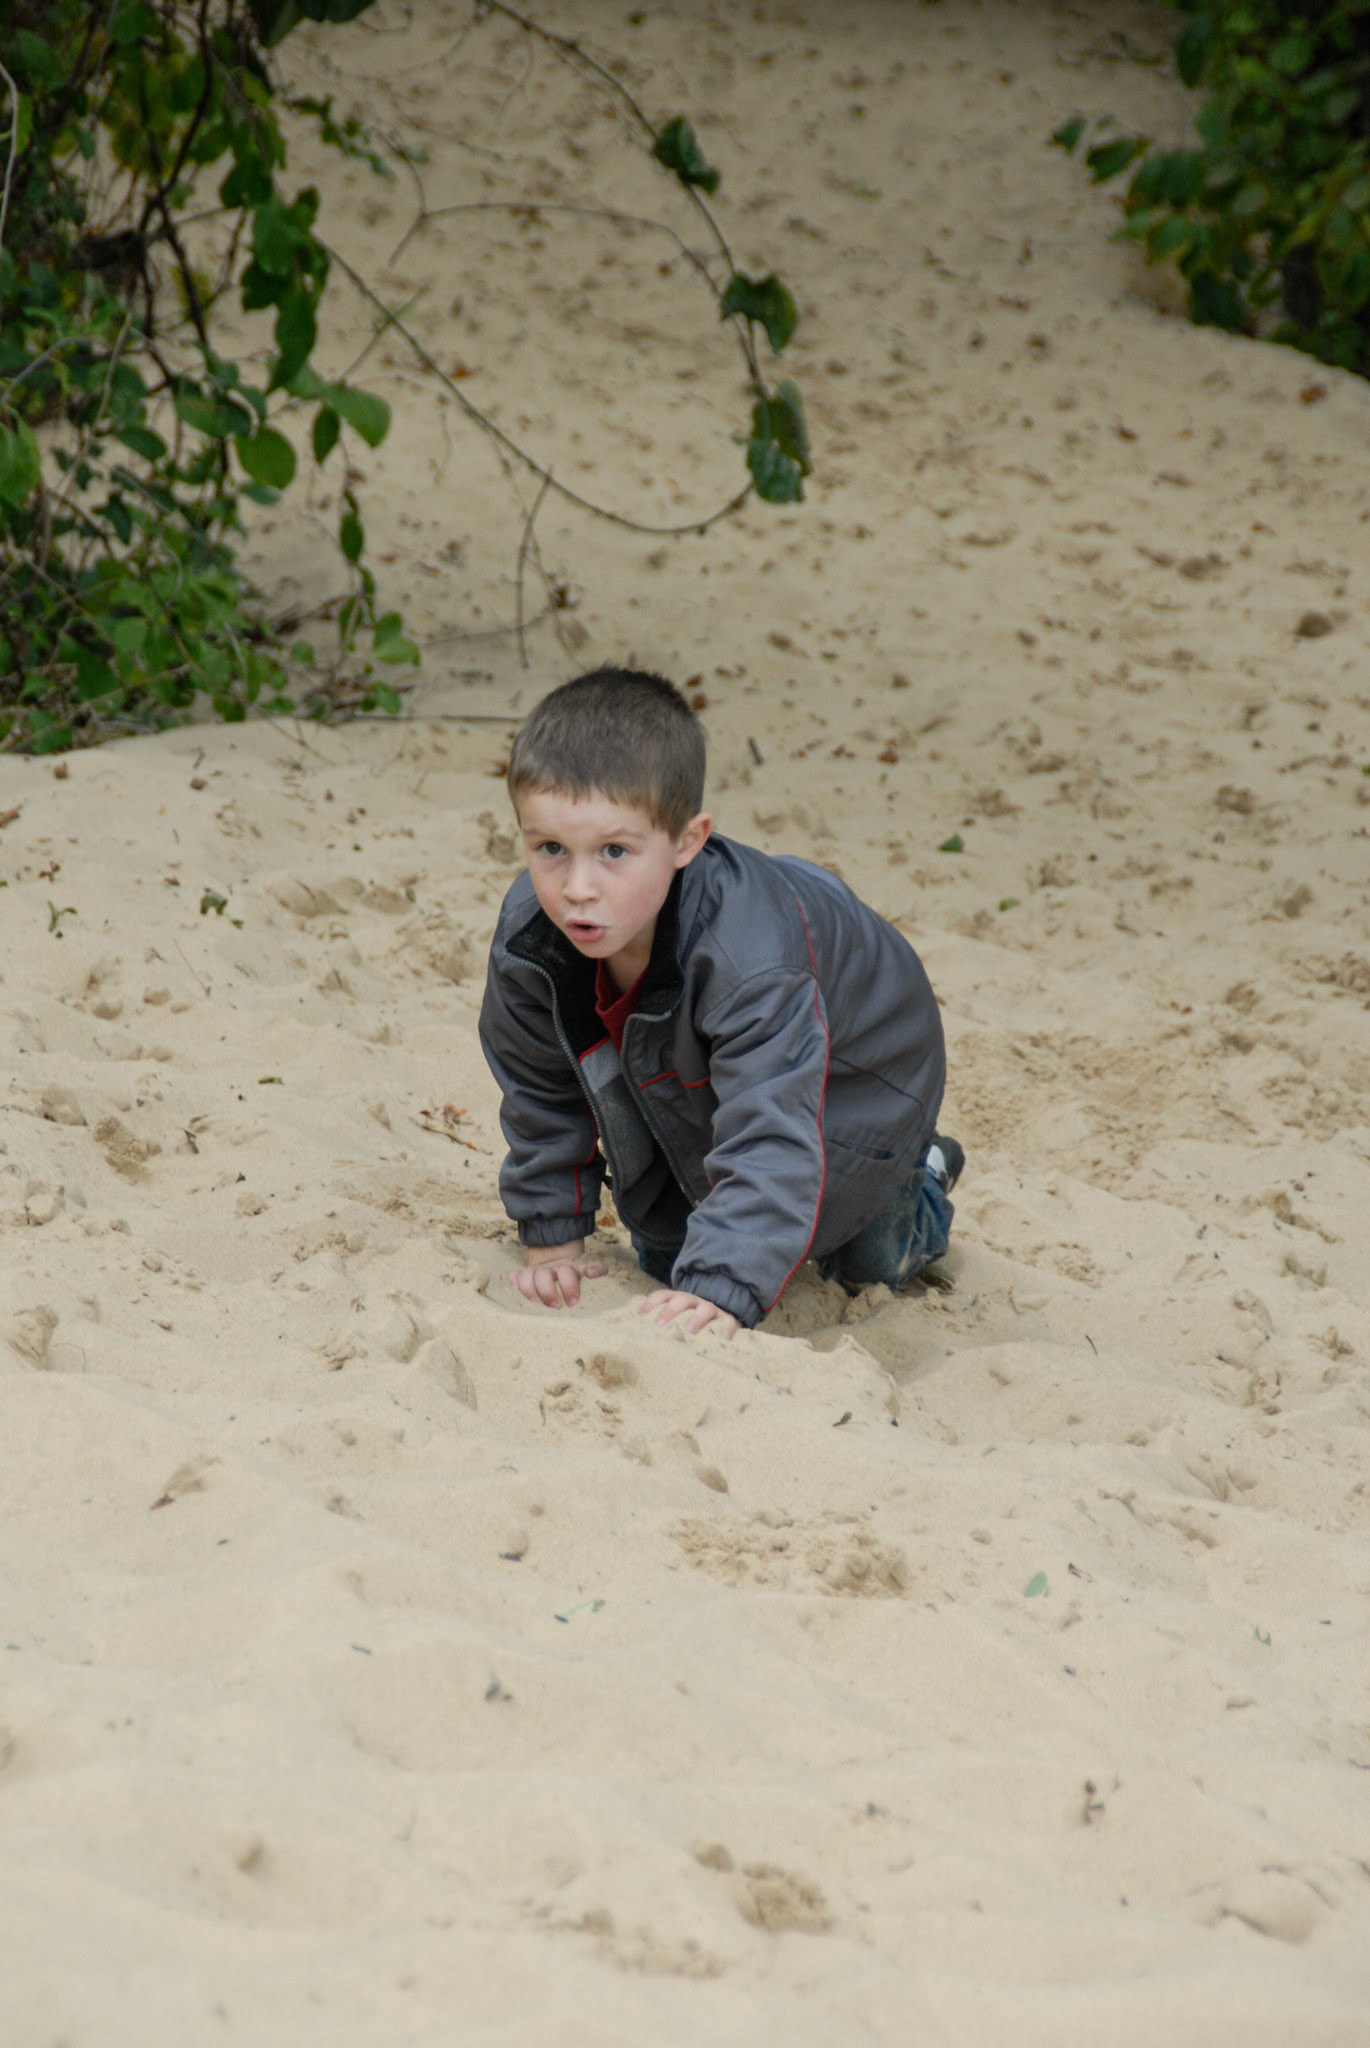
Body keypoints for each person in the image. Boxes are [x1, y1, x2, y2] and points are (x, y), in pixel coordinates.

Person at [478, 665, 962, 1337]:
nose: (577, 887)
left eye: (614, 850)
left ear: (686, 840)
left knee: (862, 1255)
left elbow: (770, 1131)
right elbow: (537, 1087)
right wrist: (553, 1236)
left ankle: (924, 1177)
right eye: (551, 849)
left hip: (866, 1073)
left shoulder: (753, 966)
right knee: (666, 1251)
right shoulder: (532, 938)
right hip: (701, 1061)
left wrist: (723, 1289)